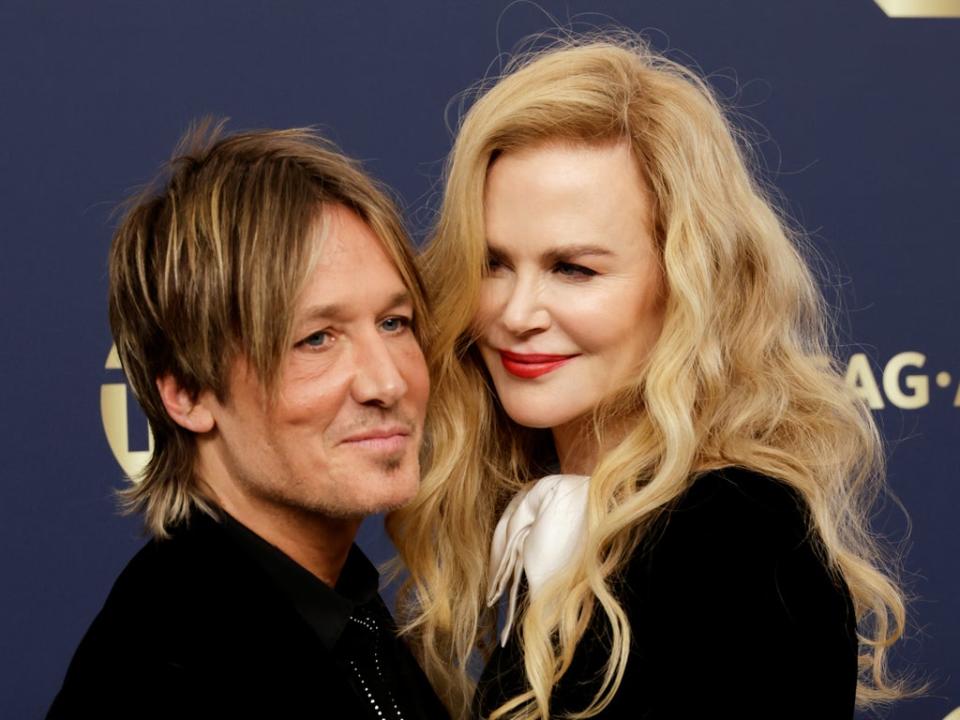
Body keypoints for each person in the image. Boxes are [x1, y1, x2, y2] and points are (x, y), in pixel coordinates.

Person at [387, 37, 910, 719]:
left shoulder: (733, 539)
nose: (515, 314)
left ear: (686, 285)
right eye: (492, 263)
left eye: (574, 268)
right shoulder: (567, 524)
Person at [49, 122, 447, 719]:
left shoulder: (339, 612)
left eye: (395, 322)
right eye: (316, 339)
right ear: (187, 393)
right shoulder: (166, 673)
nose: (387, 381)